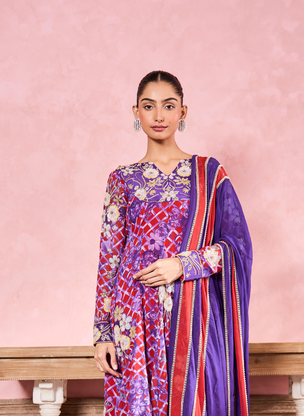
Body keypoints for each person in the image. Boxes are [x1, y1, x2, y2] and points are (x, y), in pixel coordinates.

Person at [93, 70, 252, 416]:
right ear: (136, 112)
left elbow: (237, 246)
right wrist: (102, 333)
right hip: (134, 312)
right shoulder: (121, 179)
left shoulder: (209, 173)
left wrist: (182, 265)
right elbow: (109, 258)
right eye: (149, 106)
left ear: (183, 111)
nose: (159, 116)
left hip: (193, 309)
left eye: (168, 105)